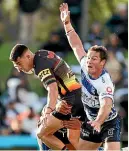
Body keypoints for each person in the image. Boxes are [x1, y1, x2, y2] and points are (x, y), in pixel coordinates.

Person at [59, 3, 121, 151]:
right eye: (89, 58)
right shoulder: (85, 65)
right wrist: (67, 24)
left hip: (108, 122)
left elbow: (106, 105)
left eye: (94, 59)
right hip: (92, 121)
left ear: (102, 63)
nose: (89, 61)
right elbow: (76, 46)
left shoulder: (104, 82)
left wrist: (99, 121)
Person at [9, 44, 85, 150]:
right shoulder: (42, 54)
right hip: (78, 98)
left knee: (41, 133)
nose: (19, 69)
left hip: (69, 102)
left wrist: (48, 112)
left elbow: (52, 89)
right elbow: (61, 85)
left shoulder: (39, 64)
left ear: (27, 56)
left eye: (19, 63)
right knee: (73, 142)